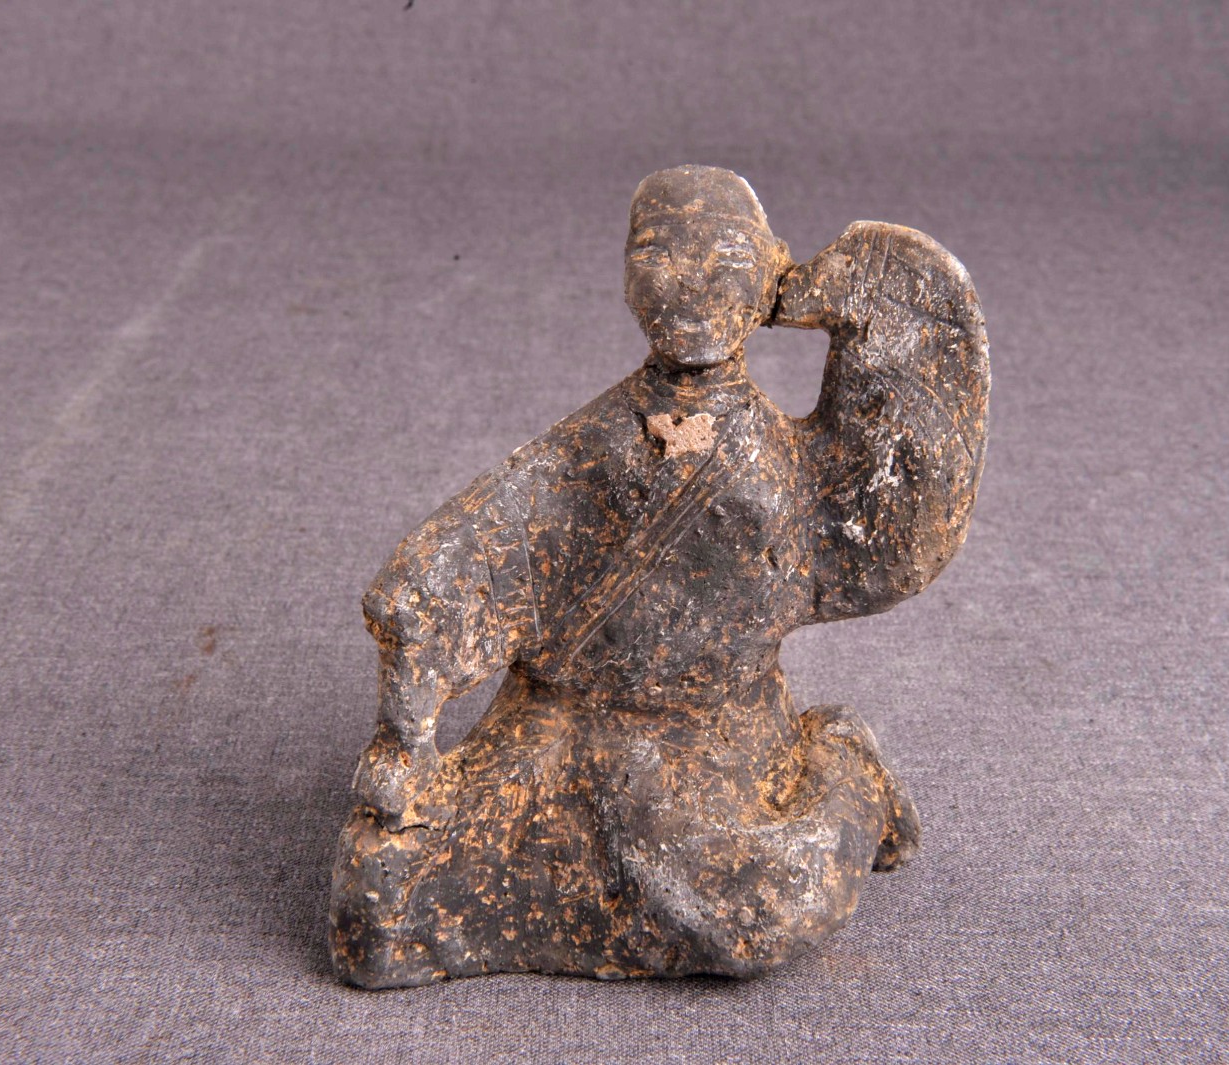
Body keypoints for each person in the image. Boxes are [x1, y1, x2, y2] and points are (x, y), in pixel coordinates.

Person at [330, 165, 987, 988]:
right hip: (559, 724)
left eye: (725, 255)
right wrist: (407, 722)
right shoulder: (597, 442)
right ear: (625, 278)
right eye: (657, 253)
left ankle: (843, 765)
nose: (691, 279)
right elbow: (476, 550)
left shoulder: (783, 461)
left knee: (767, 906)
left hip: (718, 739)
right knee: (378, 907)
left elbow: (869, 536)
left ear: (769, 275)